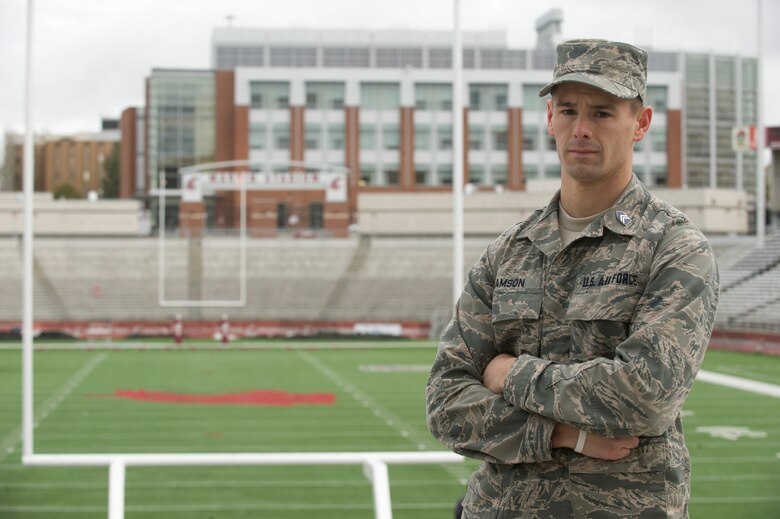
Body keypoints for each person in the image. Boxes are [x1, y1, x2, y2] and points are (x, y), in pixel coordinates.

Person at [426, 39, 719, 519]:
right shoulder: (507, 253)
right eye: (568, 111)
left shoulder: (674, 248)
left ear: (640, 124)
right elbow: (445, 401)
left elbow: (643, 396)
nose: (581, 129)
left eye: (603, 113)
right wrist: (567, 434)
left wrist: (507, 373)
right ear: (549, 118)